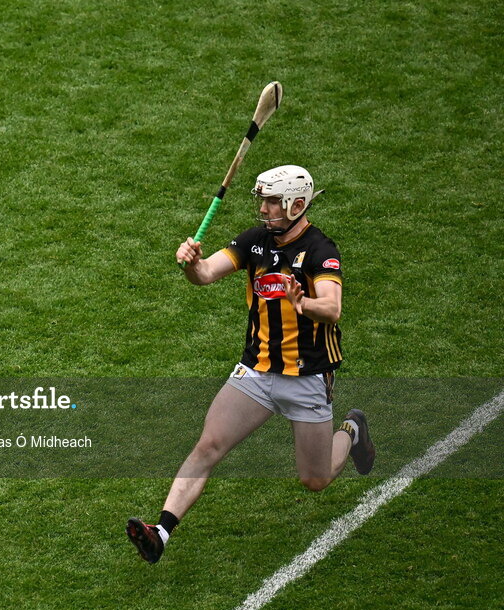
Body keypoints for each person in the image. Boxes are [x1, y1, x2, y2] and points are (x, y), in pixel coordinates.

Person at [127, 165, 375, 564]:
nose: (264, 208)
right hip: (256, 372)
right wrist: (191, 262)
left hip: (306, 377)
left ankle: (352, 429)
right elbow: (206, 275)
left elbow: (332, 308)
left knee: (315, 479)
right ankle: (160, 532)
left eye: (272, 202)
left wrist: (302, 303)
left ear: (296, 204)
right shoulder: (255, 242)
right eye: (262, 200)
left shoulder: (320, 250)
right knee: (208, 445)